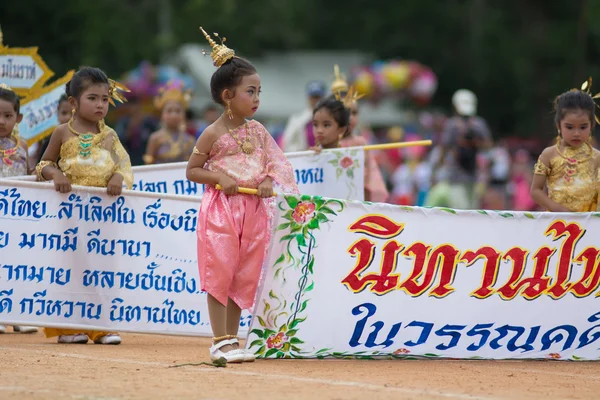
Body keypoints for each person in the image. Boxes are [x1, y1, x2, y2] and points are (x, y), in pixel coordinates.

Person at [186, 28, 298, 363]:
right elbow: (192, 170)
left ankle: (232, 340)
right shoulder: (212, 133)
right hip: (222, 210)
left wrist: (266, 181)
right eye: (250, 91)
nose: (257, 98)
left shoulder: (259, 131)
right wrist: (219, 177)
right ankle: (218, 340)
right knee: (220, 270)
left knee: (243, 273)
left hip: (253, 210)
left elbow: (275, 165)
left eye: (258, 91)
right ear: (227, 95)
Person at [36, 67, 134, 345]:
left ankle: (102, 326)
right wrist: (55, 174)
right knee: (70, 267)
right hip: (69, 217)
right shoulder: (61, 133)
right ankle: (68, 327)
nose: (100, 104)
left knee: (101, 269)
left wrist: (117, 177)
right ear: (73, 103)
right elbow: (43, 164)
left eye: (104, 99)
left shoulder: (111, 137)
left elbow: (125, 166)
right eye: (93, 98)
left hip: (102, 219)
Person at [0, 83, 38, 335]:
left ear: (18, 118)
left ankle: (18, 314)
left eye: (7, 116)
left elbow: (30, 175)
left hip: (16, 218)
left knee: (17, 264)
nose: (1, 121)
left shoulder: (22, 147)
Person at [531, 84, 600, 212]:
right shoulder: (549, 154)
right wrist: (557, 209)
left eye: (583, 127)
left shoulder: (597, 157)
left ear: (591, 125)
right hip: (556, 223)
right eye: (569, 127)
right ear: (559, 125)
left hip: (589, 223)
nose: (576, 133)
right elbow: (535, 190)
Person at [330, 65, 389, 202]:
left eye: (354, 113)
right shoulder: (325, 142)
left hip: (356, 202)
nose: (350, 117)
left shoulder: (360, 143)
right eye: (345, 112)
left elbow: (370, 181)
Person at [429, 89, 492, 209]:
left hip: (457, 177)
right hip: (474, 177)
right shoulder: (479, 124)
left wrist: (436, 171)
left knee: (460, 213)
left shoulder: (452, 124)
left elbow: (444, 148)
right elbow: (488, 146)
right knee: (471, 212)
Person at [143, 81, 195, 164]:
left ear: (184, 114)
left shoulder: (190, 140)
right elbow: (148, 166)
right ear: (162, 114)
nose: (173, 115)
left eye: (178, 111)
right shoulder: (155, 139)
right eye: (169, 111)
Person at [29, 94, 72, 171]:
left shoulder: (86, 140)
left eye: (73, 113)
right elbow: (41, 169)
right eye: (64, 113)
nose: (68, 117)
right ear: (57, 114)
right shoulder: (49, 141)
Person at [281, 80, 326, 152]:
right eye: (313, 97)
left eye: (318, 97)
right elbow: (286, 144)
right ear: (308, 97)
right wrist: (304, 152)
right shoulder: (296, 120)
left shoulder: (331, 118)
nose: (316, 100)